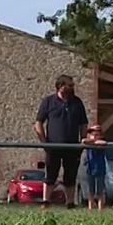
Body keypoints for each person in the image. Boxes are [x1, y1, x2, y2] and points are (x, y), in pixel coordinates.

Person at [34, 74, 88, 209]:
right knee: (51, 174)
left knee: (70, 175)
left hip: (72, 146)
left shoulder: (77, 102)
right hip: (53, 146)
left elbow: (83, 124)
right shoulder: (48, 101)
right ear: (60, 86)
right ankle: (46, 202)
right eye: (69, 86)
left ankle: (70, 202)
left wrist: (82, 140)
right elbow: (38, 123)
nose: (71, 88)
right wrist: (44, 141)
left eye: (72, 86)